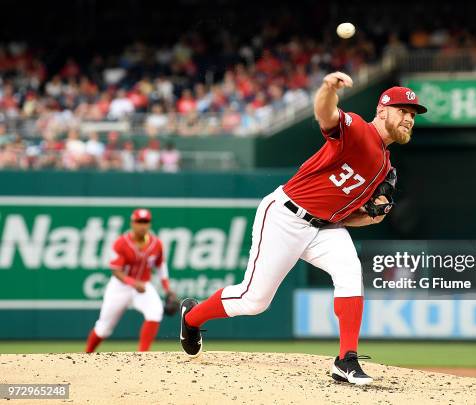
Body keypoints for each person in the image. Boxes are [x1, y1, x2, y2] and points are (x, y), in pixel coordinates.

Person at [179, 72, 427, 385]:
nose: (409, 119)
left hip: (323, 226)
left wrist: (372, 215)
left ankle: (346, 360)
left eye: (413, 115)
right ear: (381, 111)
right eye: (403, 111)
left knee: (349, 270)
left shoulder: (385, 167)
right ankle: (191, 317)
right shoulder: (357, 130)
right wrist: (327, 89)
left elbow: (362, 216)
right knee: (254, 301)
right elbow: (326, 114)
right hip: (286, 216)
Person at [85, 208, 176, 352]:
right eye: (139, 221)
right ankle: (86, 355)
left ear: (150, 224)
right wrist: (133, 283)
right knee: (104, 328)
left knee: (155, 311)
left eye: (145, 222)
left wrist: (167, 288)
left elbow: (160, 266)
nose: (142, 225)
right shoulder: (121, 243)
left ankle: (142, 355)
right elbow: (116, 271)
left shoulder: (156, 243)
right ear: (132, 223)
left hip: (143, 286)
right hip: (120, 287)